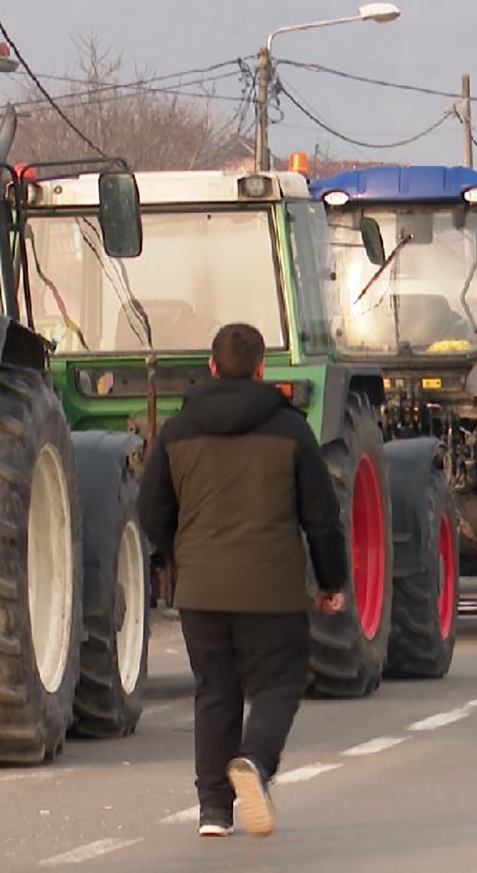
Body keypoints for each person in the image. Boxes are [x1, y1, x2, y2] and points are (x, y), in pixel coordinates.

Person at [137, 322, 348, 840]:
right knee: (279, 682)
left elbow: (150, 510)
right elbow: (321, 516)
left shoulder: (176, 431)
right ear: (261, 370)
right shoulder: (290, 430)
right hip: (271, 588)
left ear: (211, 366)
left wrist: (179, 557)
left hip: (201, 589)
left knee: (215, 690)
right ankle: (254, 760)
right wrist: (330, 580)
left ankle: (213, 810)